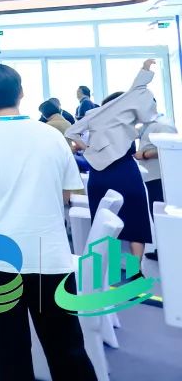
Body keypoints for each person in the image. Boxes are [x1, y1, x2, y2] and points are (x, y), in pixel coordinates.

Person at [0, 64, 95, 381]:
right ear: (22, 93)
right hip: (48, 251)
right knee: (67, 348)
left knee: (7, 351)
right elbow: (68, 193)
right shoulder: (52, 136)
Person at [65, 60, 158, 263]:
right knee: (136, 222)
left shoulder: (96, 117)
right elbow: (136, 89)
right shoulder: (126, 119)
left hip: (100, 176)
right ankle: (135, 270)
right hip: (126, 173)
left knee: (105, 224)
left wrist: (87, 149)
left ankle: (111, 268)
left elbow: (72, 133)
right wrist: (144, 70)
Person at [136, 116, 172, 261]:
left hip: (160, 177)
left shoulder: (162, 125)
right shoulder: (147, 124)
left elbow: (168, 146)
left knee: (162, 215)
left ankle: (168, 251)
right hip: (151, 176)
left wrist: (145, 154)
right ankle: (162, 250)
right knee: (156, 215)